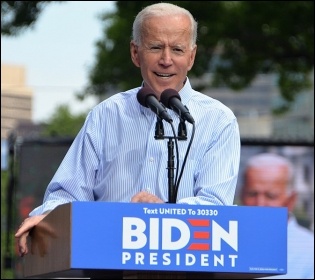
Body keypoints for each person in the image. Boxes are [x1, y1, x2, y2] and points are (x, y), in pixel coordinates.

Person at [15, 2, 241, 258]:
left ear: (191, 56)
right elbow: (67, 193)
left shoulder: (218, 120)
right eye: (155, 47)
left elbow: (216, 205)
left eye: (177, 49)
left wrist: (163, 214)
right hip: (106, 262)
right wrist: (47, 215)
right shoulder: (106, 115)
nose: (166, 60)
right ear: (135, 53)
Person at [240, 152, 314, 279]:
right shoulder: (224, 243)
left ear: (291, 200)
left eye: (271, 196)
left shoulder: (309, 250)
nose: (260, 204)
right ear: (241, 195)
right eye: (252, 194)